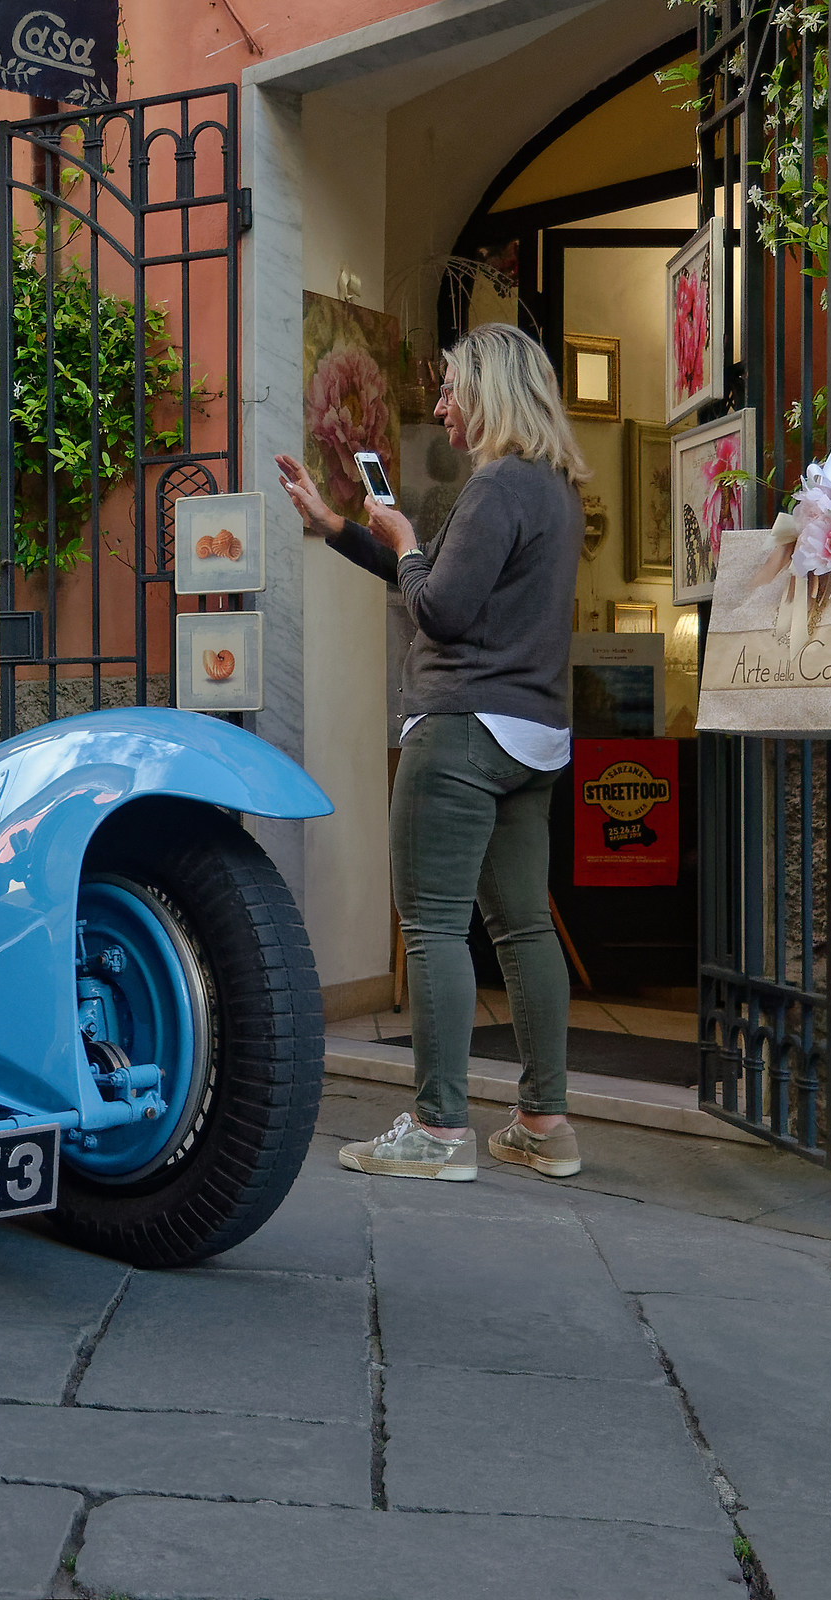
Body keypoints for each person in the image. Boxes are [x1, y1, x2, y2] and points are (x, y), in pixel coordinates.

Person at [277, 321, 588, 1184]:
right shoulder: (554, 492)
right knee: (524, 927)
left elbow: (440, 610)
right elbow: (445, 589)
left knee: (434, 927)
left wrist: (408, 539)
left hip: (459, 731)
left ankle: (440, 1128)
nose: (442, 404)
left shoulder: (495, 489)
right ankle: (544, 1121)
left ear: (489, 391)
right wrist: (342, 526)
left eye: (452, 388)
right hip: (534, 739)